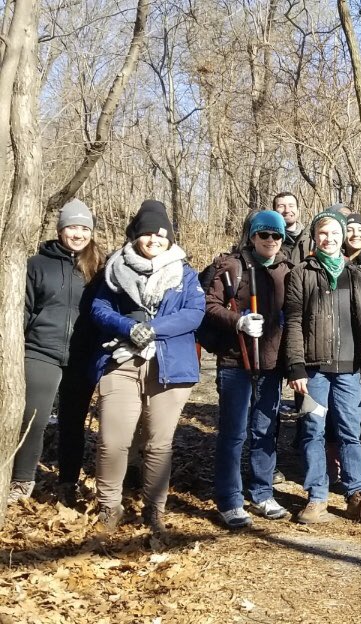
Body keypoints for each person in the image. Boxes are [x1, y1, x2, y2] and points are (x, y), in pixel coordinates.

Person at [91, 201, 204, 535]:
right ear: (136, 235)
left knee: (159, 443)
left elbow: (194, 313)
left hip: (170, 365)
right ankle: (108, 508)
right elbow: (99, 309)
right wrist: (127, 327)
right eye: (147, 233)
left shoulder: (184, 273)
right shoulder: (115, 268)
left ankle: (154, 510)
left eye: (161, 234)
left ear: (169, 238)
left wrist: (154, 329)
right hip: (123, 361)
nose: (154, 239)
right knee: (112, 441)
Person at [283, 209, 361, 526]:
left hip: (349, 372)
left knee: (350, 432)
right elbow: (295, 323)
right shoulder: (301, 273)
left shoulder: (355, 274)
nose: (328, 239)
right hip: (313, 372)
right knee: (313, 431)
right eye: (323, 233)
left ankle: (358, 496)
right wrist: (296, 367)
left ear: (343, 238)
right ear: (315, 237)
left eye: (335, 234)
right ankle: (317, 497)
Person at [8, 200, 105, 504]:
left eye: (84, 228)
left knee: (73, 422)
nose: (78, 234)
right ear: (61, 229)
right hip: (40, 351)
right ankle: (22, 481)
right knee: (33, 418)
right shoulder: (36, 264)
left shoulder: (99, 266)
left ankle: (68, 482)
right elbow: (20, 309)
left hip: (81, 356)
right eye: (72, 227)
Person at [205, 210, 293, 528]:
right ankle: (229, 499)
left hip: (271, 364)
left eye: (276, 235)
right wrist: (238, 321)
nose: (270, 240)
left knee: (265, 431)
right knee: (233, 433)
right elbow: (209, 305)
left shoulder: (287, 270)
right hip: (235, 361)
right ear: (253, 236)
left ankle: (262, 492)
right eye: (264, 234)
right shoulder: (231, 265)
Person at [328, 211, 361, 480]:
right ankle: (333, 456)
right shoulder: (332, 261)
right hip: (337, 338)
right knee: (334, 401)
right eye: (350, 230)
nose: (355, 234)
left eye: (360, 230)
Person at [273, 191, 311, 265]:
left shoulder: (312, 239)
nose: (287, 210)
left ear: (298, 210)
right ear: (274, 212)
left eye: (291, 206)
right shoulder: (267, 239)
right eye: (281, 206)